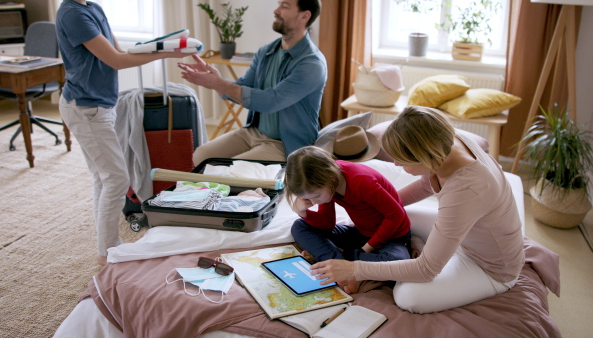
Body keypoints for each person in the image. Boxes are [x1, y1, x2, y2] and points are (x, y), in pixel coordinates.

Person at [309, 106, 525, 313]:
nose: (395, 164)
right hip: (467, 232)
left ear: (424, 157)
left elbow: (426, 270)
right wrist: (377, 207)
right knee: (395, 215)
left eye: (401, 161)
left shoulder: (467, 189)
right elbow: (426, 184)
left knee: (408, 297)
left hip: (490, 267)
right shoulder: (445, 141)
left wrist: (354, 268)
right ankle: (425, 248)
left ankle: (426, 251)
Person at [56, 0, 195, 266]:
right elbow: (116, 61)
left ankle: (104, 248)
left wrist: (163, 44)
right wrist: (166, 54)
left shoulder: (93, 7)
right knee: (117, 179)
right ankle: (108, 250)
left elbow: (121, 51)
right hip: (86, 108)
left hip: (100, 104)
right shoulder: (73, 13)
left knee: (103, 177)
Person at [179, 0, 327, 166]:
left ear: (304, 16)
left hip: (285, 143)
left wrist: (219, 84)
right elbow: (244, 86)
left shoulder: (311, 64)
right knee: (201, 155)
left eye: (284, 6)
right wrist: (215, 80)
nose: (276, 11)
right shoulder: (266, 51)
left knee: (233, 170)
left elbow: (271, 101)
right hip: (253, 132)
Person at [285, 141, 412, 294]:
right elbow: (328, 224)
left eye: (316, 196)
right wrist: (303, 213)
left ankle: (339, 263)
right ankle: (340, 265)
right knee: (299, 226)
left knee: (398, 265)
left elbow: (396, 215)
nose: (313, 202)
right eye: (308, 199)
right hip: (360, 234)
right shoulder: (329, 184)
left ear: (329, 178)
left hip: (392, 237)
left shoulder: (361, 181)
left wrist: (367, 248)